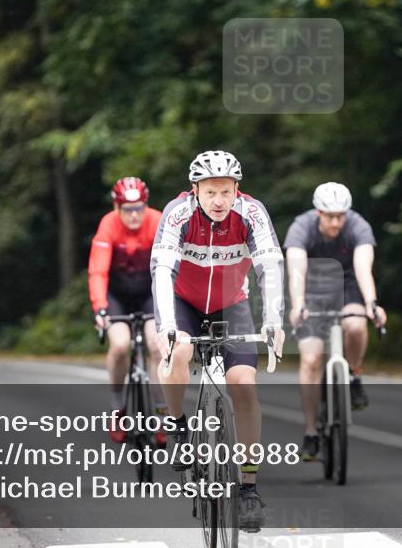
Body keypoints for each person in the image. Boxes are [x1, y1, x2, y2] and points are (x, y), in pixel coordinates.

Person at [151, 150, 285, 533]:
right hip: (184, 302)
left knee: (243, 384)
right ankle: (178, 426)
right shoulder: (177, 214)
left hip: (232, 303)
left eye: (226, 191)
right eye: (210, 192)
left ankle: (248, 488)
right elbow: (162, 270)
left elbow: (270, 267)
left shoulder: (252, 213)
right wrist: (167, 325)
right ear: (195, 190)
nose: (219, 201)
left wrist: (273, 320)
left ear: (237, 189)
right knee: (179, 350)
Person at [284, 182, 387, 461]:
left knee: (355, 324)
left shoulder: (358, 226)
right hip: (312, 291)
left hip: (347, 286)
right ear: (318, 212)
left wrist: (372, 304)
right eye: (330, 216)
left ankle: (354, 375)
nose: (335, 222)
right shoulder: (301, 227)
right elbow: (296, 271)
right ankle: (310, 432)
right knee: (310, 359)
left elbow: (363, 268)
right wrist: (298, 305)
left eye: (340, 216)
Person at [88, 177, 165, 445]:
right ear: (117, 207)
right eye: (128, 209)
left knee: (157, 346)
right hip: (117, 295)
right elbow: (98, 271)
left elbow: (169, 267)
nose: (134, 215)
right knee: (120, 345)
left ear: (146, 205)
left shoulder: (157, 221)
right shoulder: (108, 224)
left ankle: (162, 413)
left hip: (149, 293)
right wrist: (100, 308)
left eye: (139, 208)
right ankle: (117, 408)